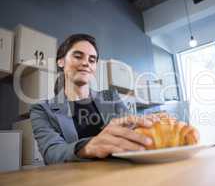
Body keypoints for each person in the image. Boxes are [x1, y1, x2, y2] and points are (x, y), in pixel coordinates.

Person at [30, 34, 160, 165]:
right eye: (78, 56)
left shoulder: (111, 97)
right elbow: (52, 154)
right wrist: (88, 147)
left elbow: (134, 132)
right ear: (61, 61)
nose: (86, 63)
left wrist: (144, 127)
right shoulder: (41, 109)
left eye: (92, 60)